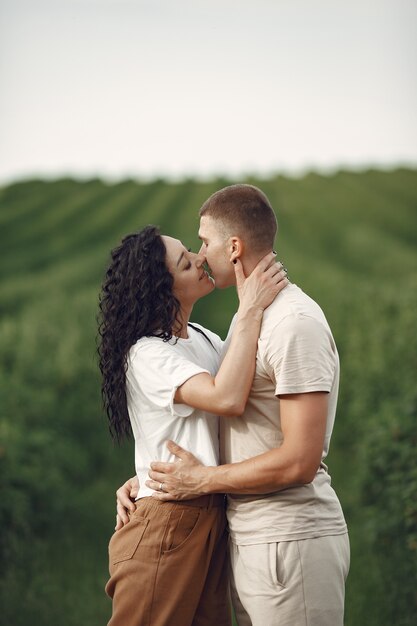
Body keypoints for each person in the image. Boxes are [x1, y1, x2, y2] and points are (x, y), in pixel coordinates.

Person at [116, 185, 350, 626]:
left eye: (201, 245)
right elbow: (215, 405)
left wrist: (201, 478)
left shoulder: (285, 324)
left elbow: (299, 459)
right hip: (241, 533)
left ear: (235, 247)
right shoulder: (227, 331)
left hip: (284, 537)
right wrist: (147, 472)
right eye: (189, 256)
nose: (201, 256)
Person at [97, 223, 288, 626]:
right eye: (186, 262)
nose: (201, 259)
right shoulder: (146, 354)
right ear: (164, 290)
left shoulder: (201, 338)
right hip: (168, 520)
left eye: (191, 250)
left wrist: (139, 473)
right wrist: (250, 307)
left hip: (209, 513)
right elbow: (227, 398)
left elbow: (239, 385)